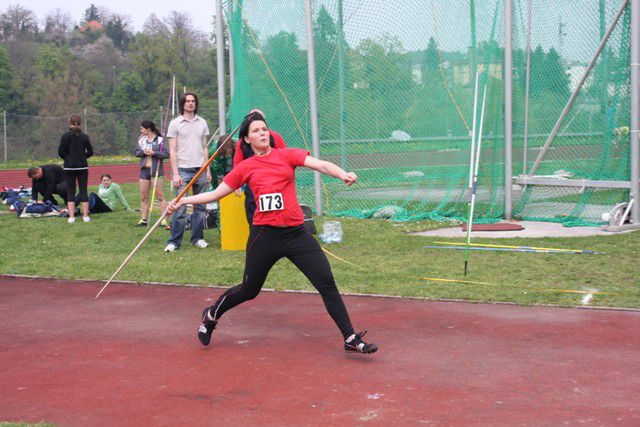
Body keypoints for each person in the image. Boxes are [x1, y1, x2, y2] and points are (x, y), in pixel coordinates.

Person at [167, 112, 378, 354]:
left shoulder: (287, 155)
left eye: (264, 129)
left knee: (326, 282)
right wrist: (183, 200)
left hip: (296, 234)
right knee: (249, 290)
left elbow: (319, 164)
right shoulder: (245, 167)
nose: (262, 133)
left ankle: (350, 337)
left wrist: (342, 174)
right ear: (246, 139)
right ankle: (211, 314)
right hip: (265, 236)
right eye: (256, 131)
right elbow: (215, 194)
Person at [164, 93, 211, 252]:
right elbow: (172, 150)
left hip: (201, 169)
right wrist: (175, 173)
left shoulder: (202, 122)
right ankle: (174, 242)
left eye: (193, 101)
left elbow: (205, 147)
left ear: (196, 104)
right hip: (183, 170)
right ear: (183, 104)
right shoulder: (175, 123)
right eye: (188, 101)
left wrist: (208, 169)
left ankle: (197, 238)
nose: (190, 103)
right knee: (180, 208)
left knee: (200, 208)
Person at [232, 109, 287, 225]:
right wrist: (237, 183)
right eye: (255, 129)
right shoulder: (242, 142)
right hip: (253, 184)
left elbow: (286, 159)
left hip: (274, 183)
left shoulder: (275, 137)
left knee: (277, 216)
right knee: (252, 214)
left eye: (262, 127)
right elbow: (237, 163)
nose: (261, 133)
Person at [58, 114, 93, 224]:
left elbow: (60, 152)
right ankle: (85, 217)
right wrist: (82, 158)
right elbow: (90, 152)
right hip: (82, 167)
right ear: (80, 123)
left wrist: (67, 159)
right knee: (83, 191)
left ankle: (71, 217)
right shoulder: (84, 137)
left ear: (70, 123)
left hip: (69, 168)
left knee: (71, 192)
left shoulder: (65, 136)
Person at [134, 120, 169, 227]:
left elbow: (166, 154)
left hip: (156, 171)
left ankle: (163, 219)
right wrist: (143, 152)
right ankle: (144, 219)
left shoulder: (159, 140)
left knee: (160, 197)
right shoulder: (141, 140)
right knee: (144, 197)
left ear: (148, 129)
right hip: (144, 171)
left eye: (142, 128)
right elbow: (136, 152)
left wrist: (155, 153)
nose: (141, 130)